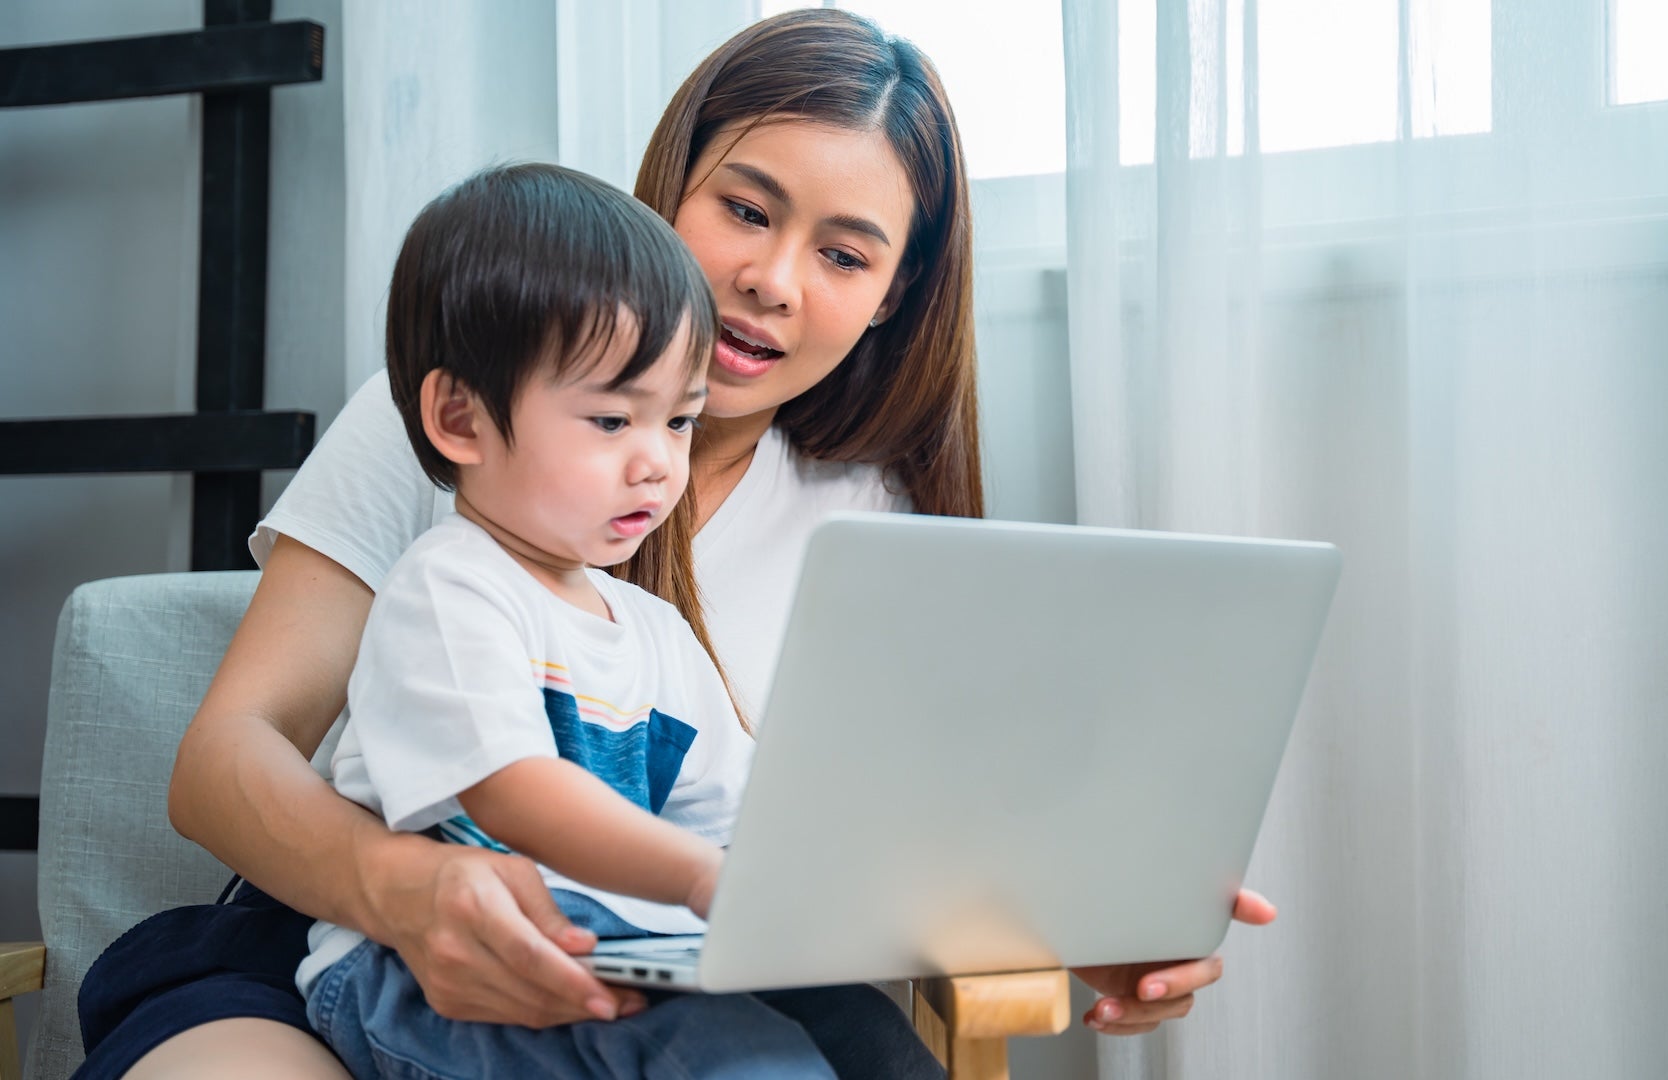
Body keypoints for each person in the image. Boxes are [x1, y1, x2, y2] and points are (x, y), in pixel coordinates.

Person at [82, 10, 1275, 1079]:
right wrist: (408, 894)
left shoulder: (866, 518)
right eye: (745, 210)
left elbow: (869, 843)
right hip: (339, 941)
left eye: (844, 255)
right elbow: (224, 760)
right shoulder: (459, 416)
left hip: (666, 982)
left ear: (894, 297)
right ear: (670, 188)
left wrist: (1104, 900)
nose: (769, 280)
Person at [296, 160, 923, 1079]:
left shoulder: (652, 631)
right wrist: (703, 880)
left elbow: (742, 809)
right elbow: (518, 794)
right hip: (412, 978)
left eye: (677, 422)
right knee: (747, 1063)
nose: (657, 466)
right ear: (460, 418)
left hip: (603, 947)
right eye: (610, 421)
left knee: (827, 1044)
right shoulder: (447, 589)